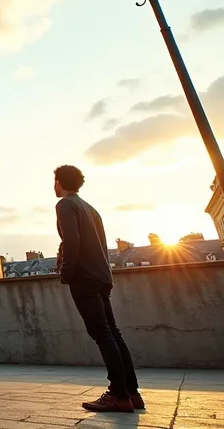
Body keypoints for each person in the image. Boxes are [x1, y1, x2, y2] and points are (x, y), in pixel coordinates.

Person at [53, 165, 143, 413]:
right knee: (112, 332)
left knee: (102, 334)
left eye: (55, 180)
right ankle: (132, 393)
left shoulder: (65, 205)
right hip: (102, 276)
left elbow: (71, 240)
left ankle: (117, 394)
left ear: (59, 182)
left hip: (85, 278)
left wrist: (66, 271)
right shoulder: (90, 208)